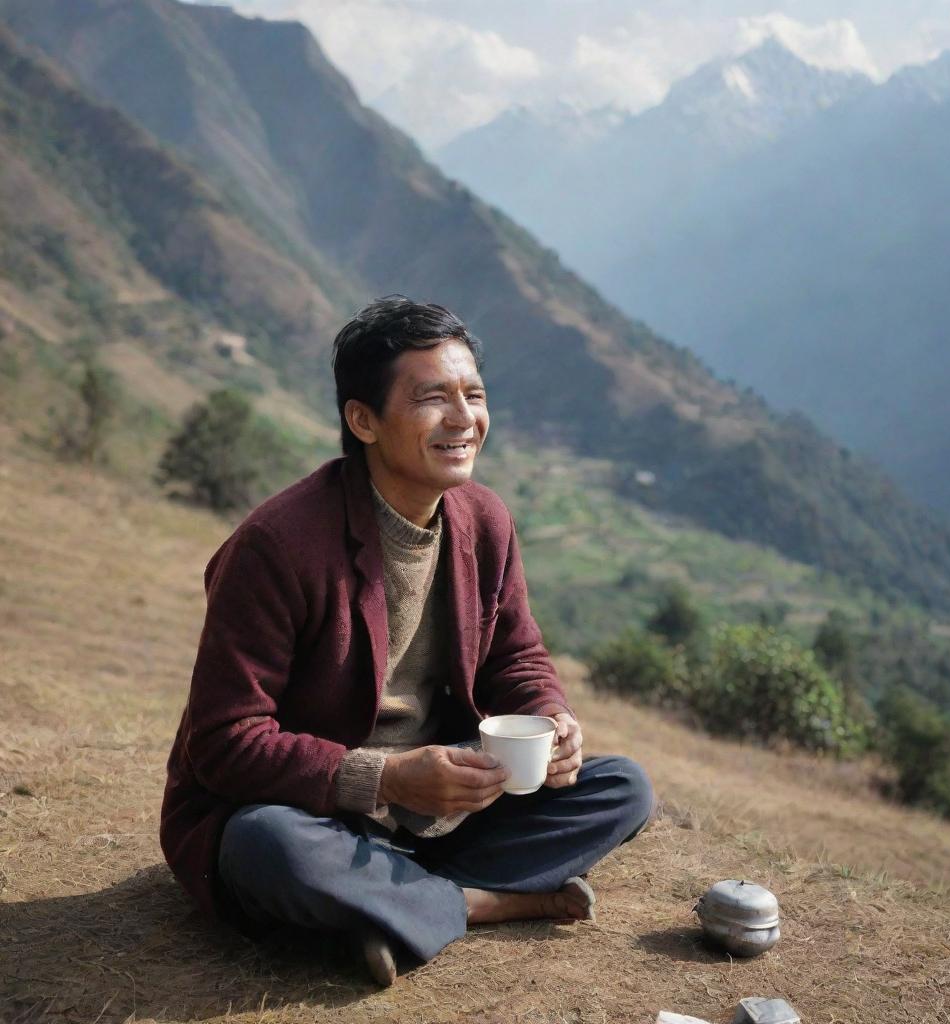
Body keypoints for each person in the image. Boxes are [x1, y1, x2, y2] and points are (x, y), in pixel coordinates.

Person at [160, 296, 654, 986]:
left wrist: (551, 717)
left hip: (449, 801)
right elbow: (223, 742)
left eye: (473, 394)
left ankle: (391, 905)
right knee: (265, 845)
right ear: (363, 419)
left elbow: (518, 655)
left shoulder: (484, 521)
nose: (464, 420)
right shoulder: (276, 548)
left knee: (622, 787)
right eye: (432, 399)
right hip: (317, 811)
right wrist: (387, 777)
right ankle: (483, 901)